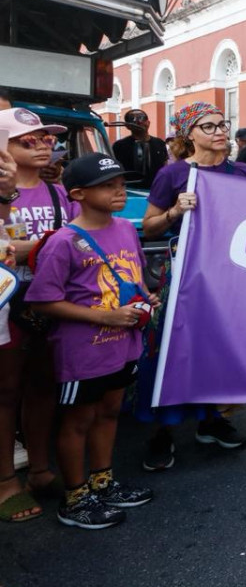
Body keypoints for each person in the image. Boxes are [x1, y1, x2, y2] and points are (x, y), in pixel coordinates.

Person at [26, 154, 154, 529]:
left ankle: (102, 480)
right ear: (79, 194)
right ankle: (76, 496)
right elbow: (43, 299)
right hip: (83, 351)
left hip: (123, 344)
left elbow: (136, 274)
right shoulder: (64, 242)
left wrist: (146, 299)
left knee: (111, 411)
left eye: (120, 183)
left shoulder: (126, 229)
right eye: (108, 185)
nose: (119, 191)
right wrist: (104, 317)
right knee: (78, 420)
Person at [139, 102, 246, 470]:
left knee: (219, 346)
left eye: (223, 124)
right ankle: (162, 429)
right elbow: (150, 226)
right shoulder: (172, 174)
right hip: (187, 272)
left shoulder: (241, 171)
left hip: (228, 276)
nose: (220, 131)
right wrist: (175, 212)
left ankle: (212, 419)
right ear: (189, 135)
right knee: (171, 347)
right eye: (208, 127)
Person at [0, 108, 75, 523]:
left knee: (43, 385)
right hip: (8, 301)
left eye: (48, 138)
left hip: (48, 300)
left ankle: (41, 469)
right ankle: (6, 480)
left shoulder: (57, 191)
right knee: (6, 390)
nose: (45, 144)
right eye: (31, 140)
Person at [112, 109, 168, 190]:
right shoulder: (119, 146)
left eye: (142, 118)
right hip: (130, 191)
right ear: (127, 126)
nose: (139, 122)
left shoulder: (160, 143)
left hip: (157, 190)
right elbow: (115, 172)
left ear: (148, 122)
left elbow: (165, 165)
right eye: (133, 119)